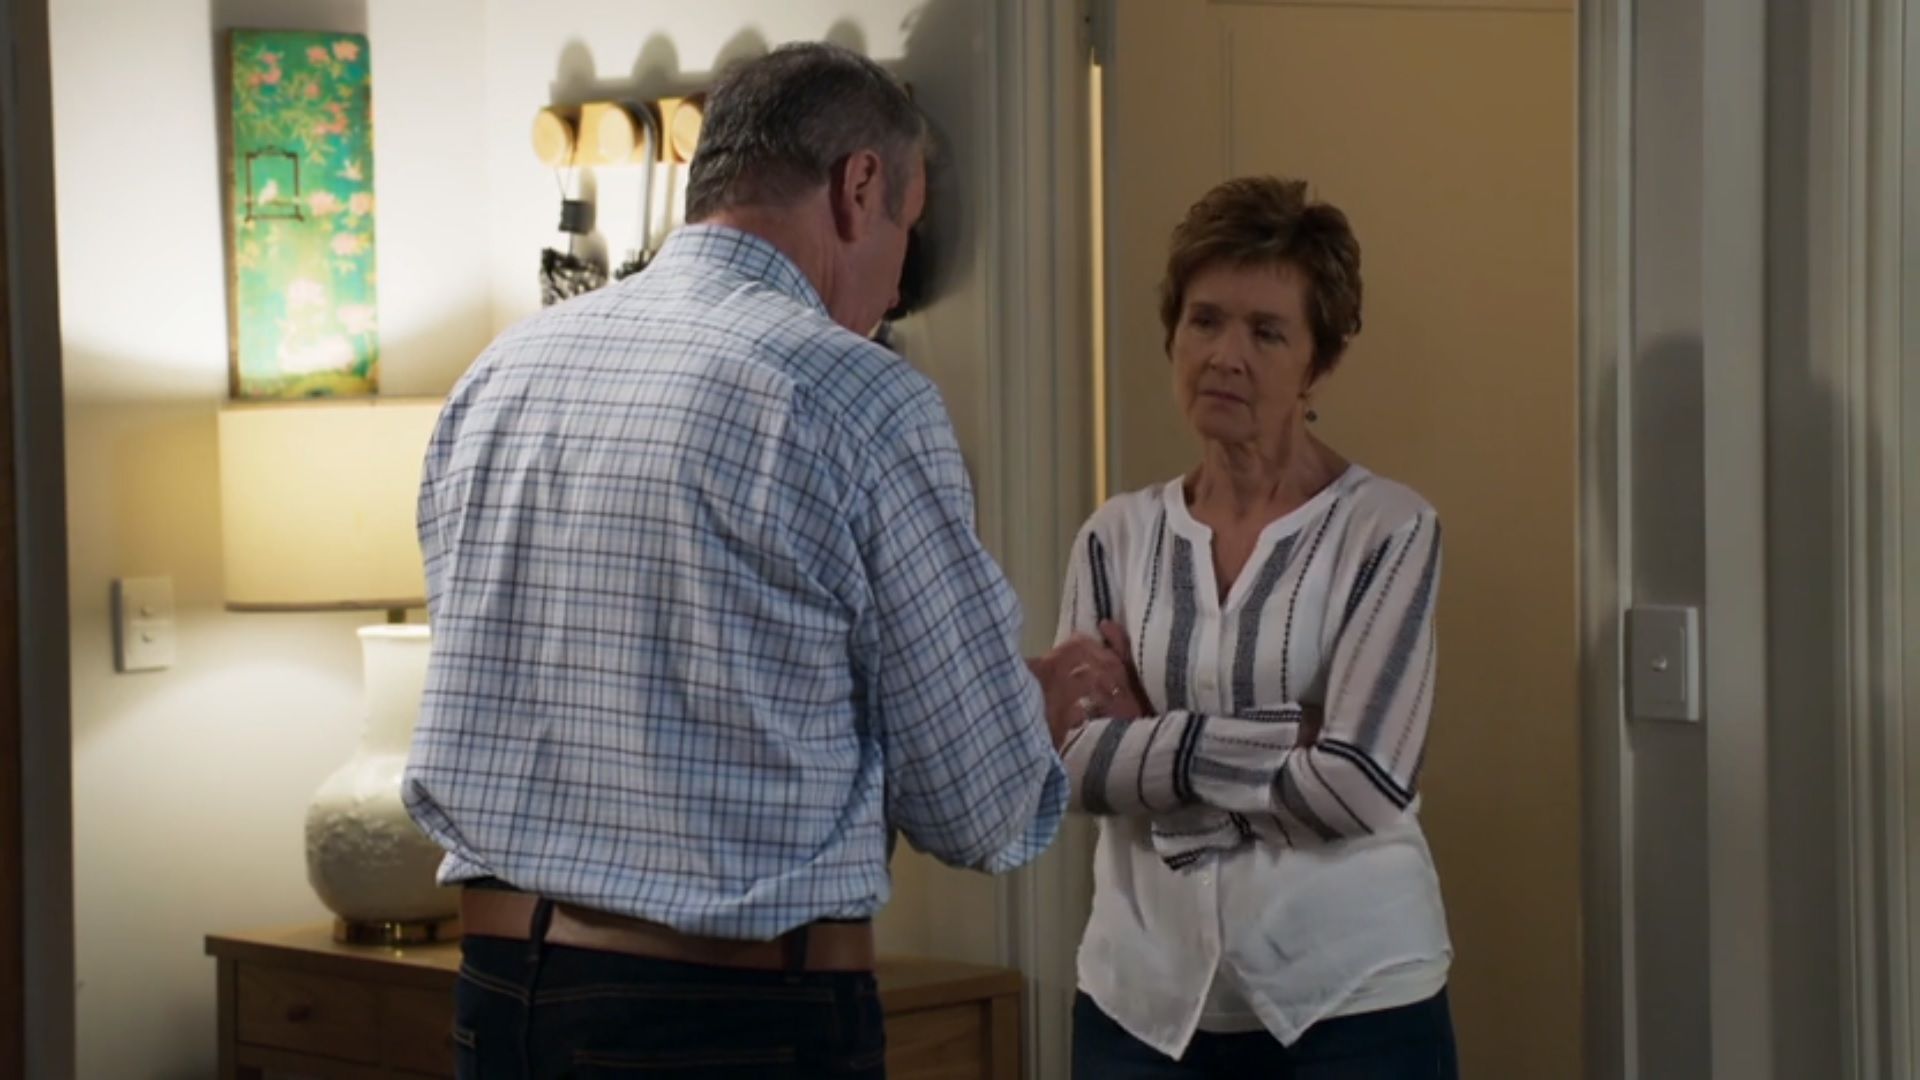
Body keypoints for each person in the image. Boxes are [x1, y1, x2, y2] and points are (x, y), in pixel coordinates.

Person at [402, 42, 1128, 1079]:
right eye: (907, 229)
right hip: (728, 1020)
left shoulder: (503, 373)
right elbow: (978, 810)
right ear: (859, 187)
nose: (894, 282)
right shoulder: (856, 396)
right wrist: (1034, 709)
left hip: (502, 1001)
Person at [1058, 177, 1459, 1078]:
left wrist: (1152, 745)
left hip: (1352, 997)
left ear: (1319, 365)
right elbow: (1074, 763)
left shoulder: (1387, 529)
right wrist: (1290, 739)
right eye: (1204, 320)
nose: (1225, 356)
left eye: (1267, 332)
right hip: (1141, 1003)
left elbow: (1363, 784)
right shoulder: (1116, 537)